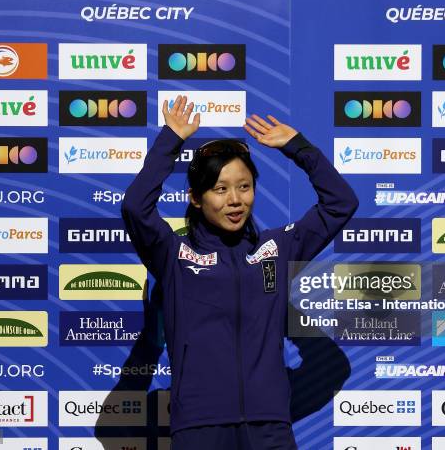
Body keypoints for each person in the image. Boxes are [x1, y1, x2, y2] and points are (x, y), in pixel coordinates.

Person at [121, 95, 358, 449]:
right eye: (220, 189)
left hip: (270, 428)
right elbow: (135, 208)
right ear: (196, 199)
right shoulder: (174, 254)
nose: (235, 200)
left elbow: (341, 202)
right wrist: (170, 141)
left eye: (244, 187)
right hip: (199, 427)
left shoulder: (275, 249)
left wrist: (298, 147)